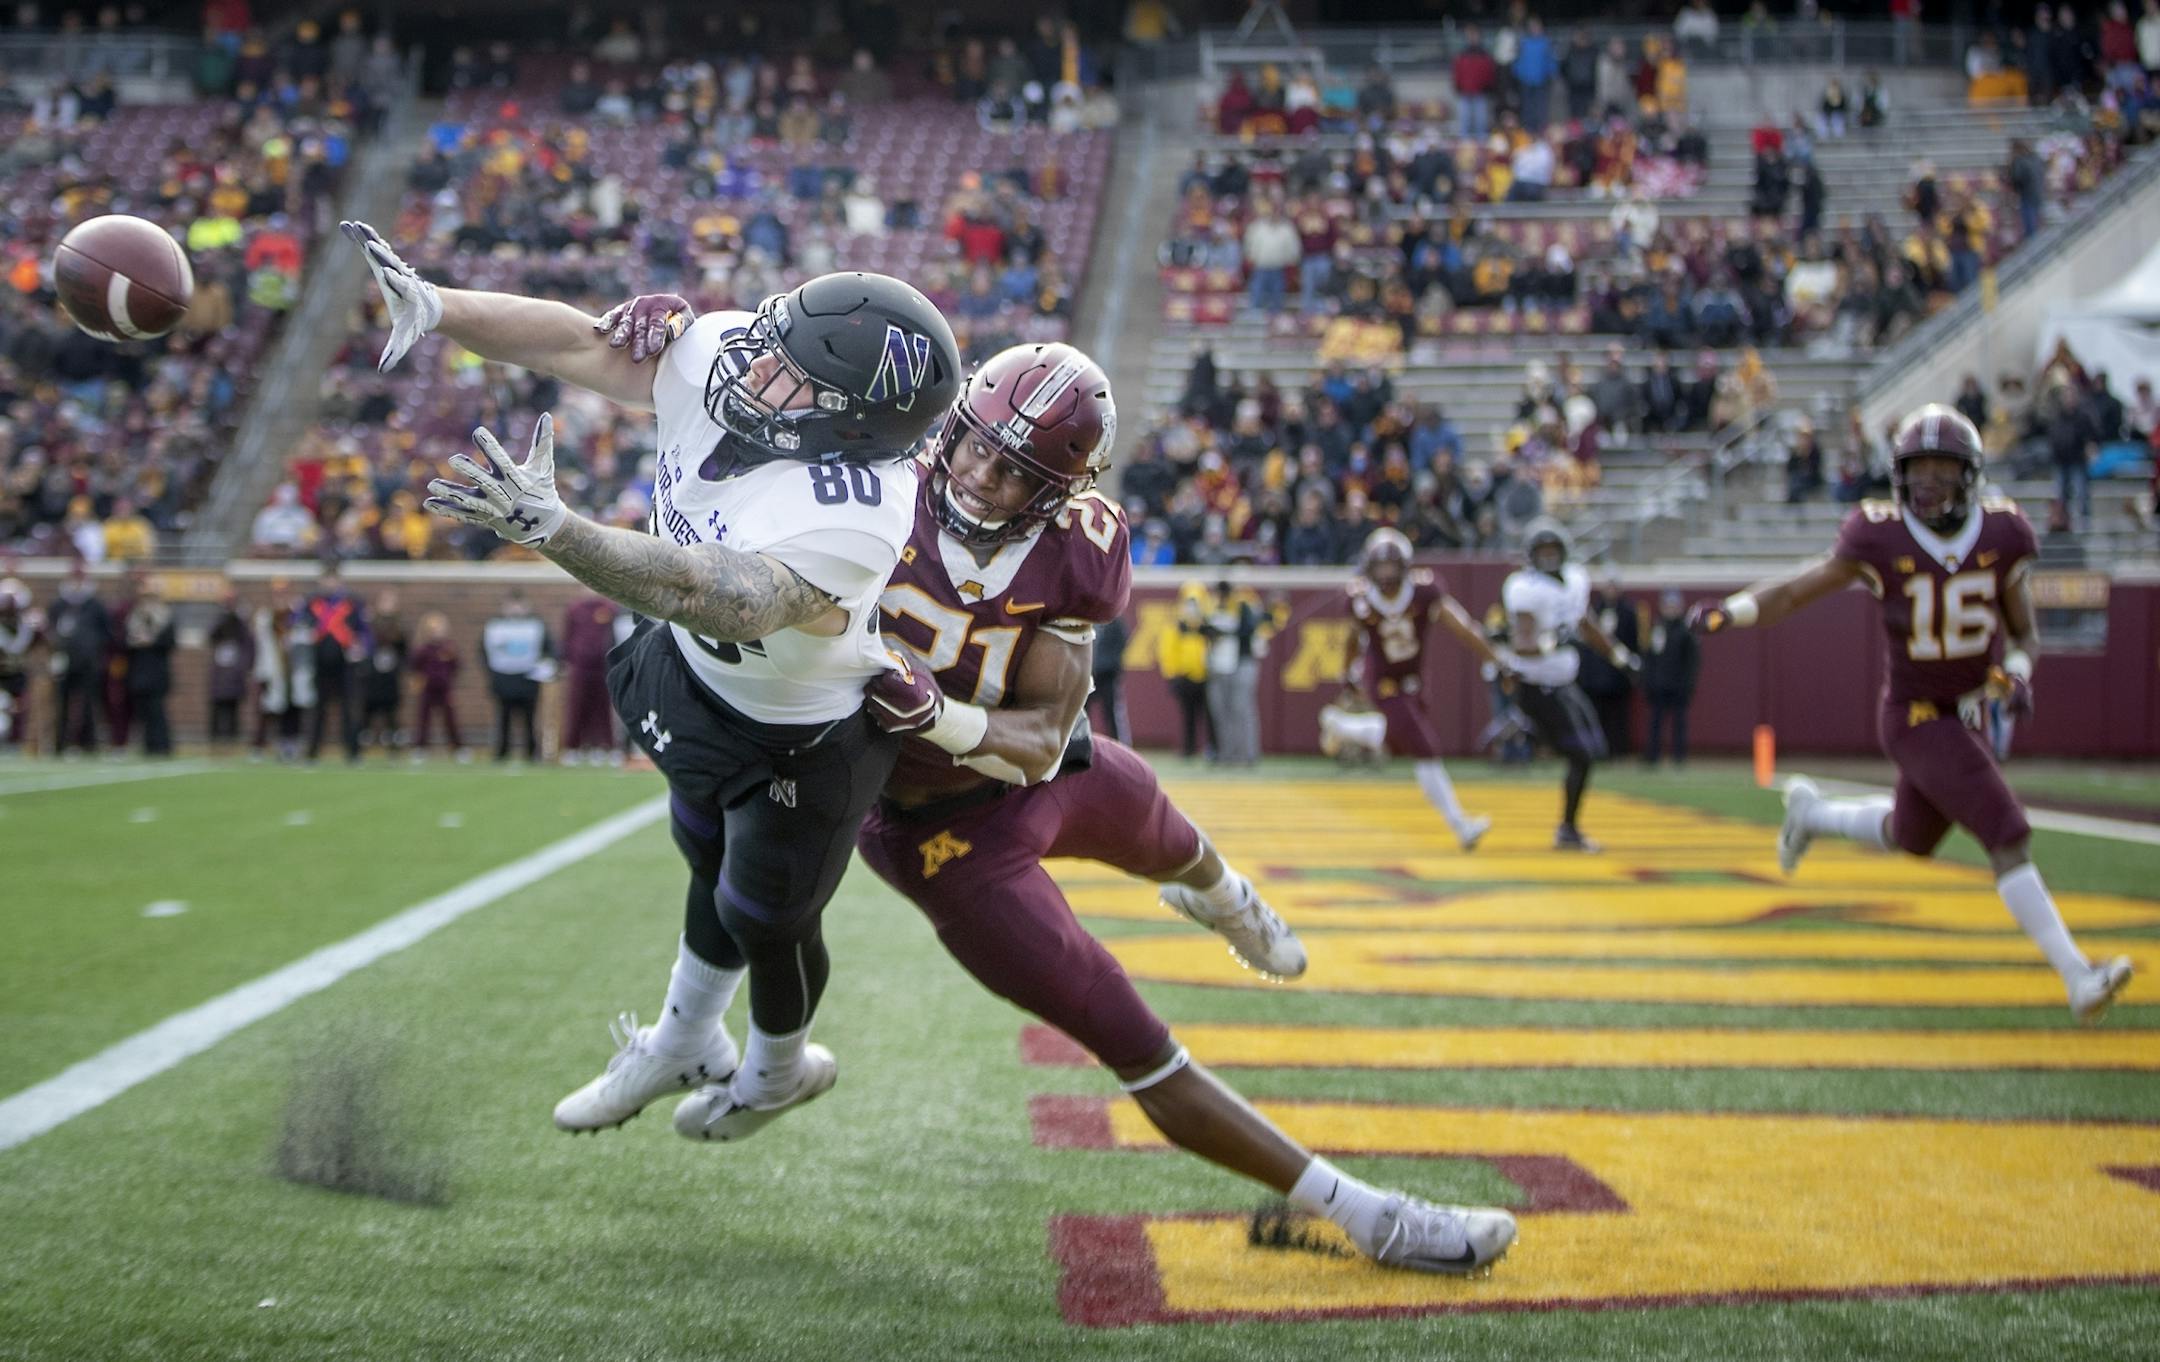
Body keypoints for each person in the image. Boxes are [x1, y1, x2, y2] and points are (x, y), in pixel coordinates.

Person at [851, 341, 1515, 1275]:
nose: (981, 476)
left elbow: (1042, 737)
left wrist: (943, 714)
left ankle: (1225, 895)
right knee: (1130, 1033)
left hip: (1024, 766)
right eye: (976, 448)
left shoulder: (1080, 542)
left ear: (1063, 488)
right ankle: (1371, 1216)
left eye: (1017, 470)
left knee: (1150, 811)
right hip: (937, 834)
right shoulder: (875, 483)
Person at [344, 221, 966, 1143]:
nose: (753, 368)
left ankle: (775, 1072)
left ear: (849, 420)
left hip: (801, 728)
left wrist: (559, 531)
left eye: (789, 372)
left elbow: (718, 593)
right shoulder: (734, 357)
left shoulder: (858, 510)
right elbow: (577, 343)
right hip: (691, 678)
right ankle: (684, 1038)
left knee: (766, 917)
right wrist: (440, 306)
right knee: (704, 857)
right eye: (770, 342)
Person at [1690, 404, 2133, 1023]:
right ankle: (2077, 975)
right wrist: (1732, 612)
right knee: (2006, 831)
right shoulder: (1879, 536)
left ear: (1968, 474)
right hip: (1914, 713)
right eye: (1916, 468)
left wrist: (2019, 676)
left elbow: (2024, 637)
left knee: (1913, 835)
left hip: (1966, 713)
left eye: (1941, 468)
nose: (1927, 481)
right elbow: (1796, 588)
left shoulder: (2004, 535)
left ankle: (1813, 814)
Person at [1340, 528, 1503, 851]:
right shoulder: (1359, 600)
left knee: (1403, 744)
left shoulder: (1424, 593)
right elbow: (1351, 638)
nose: (1386, 574)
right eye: (1380, 566)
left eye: (1391, 566)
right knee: (1426, 748)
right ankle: (1460, 825)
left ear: (1405, 566)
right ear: (1369, 568)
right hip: (1382, 681)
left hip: (1413, 680)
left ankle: (1347, 729)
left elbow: (1464, 627)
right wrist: (1348, 673)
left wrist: (1496, 659)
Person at [1500, 520, 1639, 851]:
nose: (1549, 558)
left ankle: (1530, 733)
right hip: (1537, 684)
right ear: (1532, 556)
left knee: (1594, 750)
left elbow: (1586, 624)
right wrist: (1553, 643)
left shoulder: (1575, 580)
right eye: (1542, 552)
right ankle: (1568, 830)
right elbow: (1522, 644)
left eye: (1554, 551)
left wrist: (1620, 657)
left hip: (1564, 684)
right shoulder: (1525, 588)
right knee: (1582, 753)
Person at [303, 564, 370, 762]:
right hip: (320, 661)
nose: (329, 584)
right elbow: (300, 625)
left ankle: (353, 752)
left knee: (349, 707)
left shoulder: (352, 603)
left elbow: (364, 631)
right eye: (326, 580)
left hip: (345, 663)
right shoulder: (312, 604)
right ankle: (312, 751)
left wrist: (361, 647)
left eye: (333, 580)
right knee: (318, 708)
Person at [483, 588, 552, 761]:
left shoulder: (535, 625)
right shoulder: (495, 626)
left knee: (530, 718)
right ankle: (502, 751)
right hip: (503, 678)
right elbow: (484, 652)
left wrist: (545, 667)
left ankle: (531, 751)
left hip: (527, 678)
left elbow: (549, 650)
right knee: (503, 717)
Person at [47, 566, 108, 754]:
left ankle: (88, 742)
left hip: (87, 661)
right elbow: (50, 630)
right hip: (64, 660)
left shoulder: (94, 605)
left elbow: (105, 633)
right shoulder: (59, 605)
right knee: (61, 703)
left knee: (89, 702)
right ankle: (61, 743)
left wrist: (91, 647)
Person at [560, 594, 622, 763]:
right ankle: (573, 747)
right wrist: (566, 660)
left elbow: (613, 637)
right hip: (580, 668)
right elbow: (567, 637)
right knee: (577, 707)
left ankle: (604, 746)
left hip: (602, 667)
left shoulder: (608, 608)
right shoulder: (575, 609)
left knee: (602, 709)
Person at [1641, 589, 1700, 767]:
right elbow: (1650, 657)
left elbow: (1692, 661)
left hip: (1678, 686)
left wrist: (1688, 684)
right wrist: (1648, 681)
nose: (1670, 609)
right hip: (1659, 684)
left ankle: (1679, 757)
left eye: (1674, 606)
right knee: (1655, 723)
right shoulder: (1657, 628)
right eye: (1668, 605)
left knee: (1679, 723)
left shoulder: (1686, 630)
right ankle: (1653, 756)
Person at [122, 580, 177, 757]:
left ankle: (162, 745)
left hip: (157, 672)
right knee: (143, 711)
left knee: (157, 710)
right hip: (139, 671)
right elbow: (125, 642)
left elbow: (170, 643)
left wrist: (151, 641)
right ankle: (148, 746)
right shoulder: (134, 618)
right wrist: (136, 641)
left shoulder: (164, 617)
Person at [1162, 583, 1212, 757]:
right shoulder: (1177, 624)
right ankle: (1189, 748)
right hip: (1186, 676)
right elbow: (1168, 650)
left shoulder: (1208, 623)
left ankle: (1212, 748)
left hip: (1206, 676)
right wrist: (1172, 674)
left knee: (1210, 716)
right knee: (1188, 715)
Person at [408, 611, 465, 758]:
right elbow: (415, 668)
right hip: (427, 689)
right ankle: (420, 748)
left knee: (450, 719)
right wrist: (417, 684)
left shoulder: (449, 648)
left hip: (445, 688)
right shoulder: (422, 650)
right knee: (423, 719)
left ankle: (458, 748)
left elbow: (455, 667)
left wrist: (452, 686)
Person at [206, 590, 254, 753]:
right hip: (221, 672)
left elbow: (248, 644)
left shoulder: (240, 623)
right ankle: (216, 741)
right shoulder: (220, 621)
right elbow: (211, 635)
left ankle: (231, 741)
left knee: (232, 708)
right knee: (217, 707)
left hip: (234, 673)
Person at [361, 589, 408, 755]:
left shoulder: (399, 625)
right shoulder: (371, 623)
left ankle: (393, 746)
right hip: (373, 675)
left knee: (391, 712)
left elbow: (404, 650)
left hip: (391, 675)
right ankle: (361, 744)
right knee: (368, 709)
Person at [0, 578, 42, 748]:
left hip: (18, 672)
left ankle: (16, 741)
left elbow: (33, 642)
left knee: (21, 710)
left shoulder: (25, 622)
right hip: (2, 672)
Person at [1088, 606, 1131, 744]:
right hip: (1089, 676)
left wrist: (1111, 664)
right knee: (1082, 714)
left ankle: (1119, 745)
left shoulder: (1115, 621)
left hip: (1107, 675)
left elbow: (1122, 643)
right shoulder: (1088, 620)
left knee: (1112, 713)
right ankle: (1080, 744)